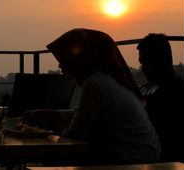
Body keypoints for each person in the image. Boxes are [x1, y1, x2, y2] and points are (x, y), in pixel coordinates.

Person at [25, 28, 161, 164]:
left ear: (80, 57)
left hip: (130, 160)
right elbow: (85, 113)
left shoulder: (95, 83)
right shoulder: (110, 79)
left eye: (64, 57)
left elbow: (76, 132)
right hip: (145, 155)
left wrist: (45, 137)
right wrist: (53, 115)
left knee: (55, 161)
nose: (60, 64)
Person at [137, 33, 184, 162]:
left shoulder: (175, 94)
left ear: (160, 60)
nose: (143, 69)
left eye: (146, 62)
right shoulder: (157, 88)